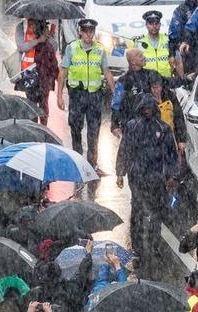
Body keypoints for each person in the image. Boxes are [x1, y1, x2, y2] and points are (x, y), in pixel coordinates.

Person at [115, 94, 179, 258]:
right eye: (145, 109)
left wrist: (172, 176)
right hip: (137, 176)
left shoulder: (163, 128)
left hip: (156, 177)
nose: (147, 112)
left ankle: (154, 243)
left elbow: (171, 154)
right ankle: (137, 247)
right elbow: (124, 149)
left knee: (156, 212)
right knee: (137, 209)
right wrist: (120, 172)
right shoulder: (132, 126)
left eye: (150, 109)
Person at [57, 19, 115, 167]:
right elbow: (63, 72)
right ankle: (77, 160)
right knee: (76, 128)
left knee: (94, 130)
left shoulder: (100, 50)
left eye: (91, 32)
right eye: (86, 32)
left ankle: (92, 163)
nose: (89, 35)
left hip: (94, 95)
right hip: (77, 95)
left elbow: (107, 72)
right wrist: (59, 96)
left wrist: (115, 93)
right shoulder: (72, 48)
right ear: (80, 32)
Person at [110, 48, 155, 135]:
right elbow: (116, 104)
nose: (144, 57)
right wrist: (114, 125)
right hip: (130, 126)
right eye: (140, 56)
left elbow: (167, 83)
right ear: (133, 62)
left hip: (150, 124)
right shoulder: (123, 80)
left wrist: (186, 79)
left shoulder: (151, 75)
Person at [131, 10, 181, 80]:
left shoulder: (169, 40)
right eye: (151, 24)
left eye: (156, 23)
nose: (154, 26)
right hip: (147, 83)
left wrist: (182, 80)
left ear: (160, 25)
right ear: (146, 25)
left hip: (166, 82)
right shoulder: (139, 43)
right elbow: (134, 66)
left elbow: (179, 63)